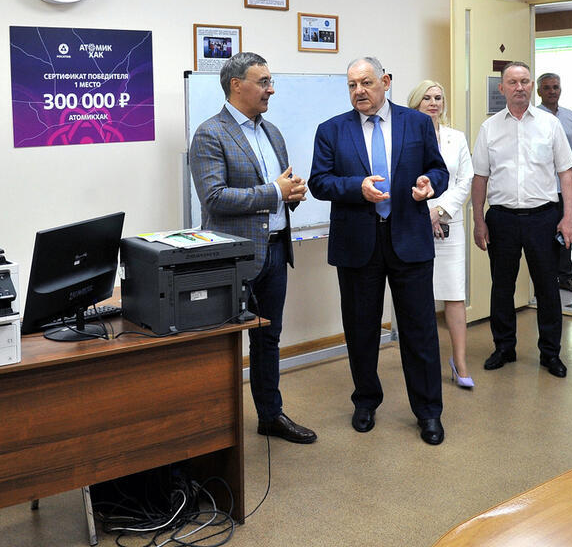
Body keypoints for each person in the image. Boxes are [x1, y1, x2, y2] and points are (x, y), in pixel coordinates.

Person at [309, 57, 449, 445]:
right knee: (361, 329)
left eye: (366, 83)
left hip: (409, 239)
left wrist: (429, 184)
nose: (359, 91)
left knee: (420, 331)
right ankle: (366, 401)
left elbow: (439, 170)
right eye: (352, 85)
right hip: (358, 244)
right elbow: (320, 182)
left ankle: (428, 412)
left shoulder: (417, 123)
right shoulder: (331, 130)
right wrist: (357, 187)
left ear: (385, 81)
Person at [188, 52, 317, 444]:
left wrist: (292, 194)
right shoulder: (210, 134)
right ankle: (214, 429)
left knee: (268, 338)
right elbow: (214, 198)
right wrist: (275, 192)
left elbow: (279, 188)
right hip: (234, 257)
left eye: (270, 81)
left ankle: (270, 415)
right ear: (236, 85)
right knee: (223, 344)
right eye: (263, 82)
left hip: (275, 251)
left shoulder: (272, 132)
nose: (270, 89)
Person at [470, 62, 572, 378]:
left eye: (525, 81)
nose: (519, 87)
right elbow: (479, 178)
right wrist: (478, 221)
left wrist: (569, 217)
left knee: (547, 288)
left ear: (531, 86)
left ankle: (550, 353)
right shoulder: (489, 128)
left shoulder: (550, 125)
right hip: (501, 219)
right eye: (513, 82)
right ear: (501, 88)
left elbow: (566, 173)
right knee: (502, 287)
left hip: (543, 218)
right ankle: (504, 347)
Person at [407, 79, 475, 389]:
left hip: (450, 227)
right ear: (416, 103)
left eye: (438, 98)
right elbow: (404, 180)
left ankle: (460, 362)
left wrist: (440, 211)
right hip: (415, 225)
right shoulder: (405, 137)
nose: (433, 103)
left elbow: (465, 180)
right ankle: (425, 364)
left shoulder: (455, 138)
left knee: (455, 295)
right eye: (427, 98)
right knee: (419, 298)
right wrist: (426, 214)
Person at [536, 72, 572, 295]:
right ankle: (544, 281)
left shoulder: (570, 116)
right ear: (539, 91)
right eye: (547, 87)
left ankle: (565, 277)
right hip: (543, 189)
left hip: (566, 188)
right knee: (544, 236)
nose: (552, 91)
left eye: (555, 87)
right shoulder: (534, 116)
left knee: (567, 233)